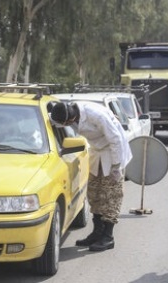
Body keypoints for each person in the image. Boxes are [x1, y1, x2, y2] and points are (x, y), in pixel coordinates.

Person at [49, 101, 132, 252]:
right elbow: (54, 120)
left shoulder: (96, 115)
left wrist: (115, 166)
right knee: (94, 193)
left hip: (112, 152)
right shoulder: (69, 113)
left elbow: (116, 139)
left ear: (70, 120)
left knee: (111, 195)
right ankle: (97, 233)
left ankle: (108, 237)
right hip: (96, 152)